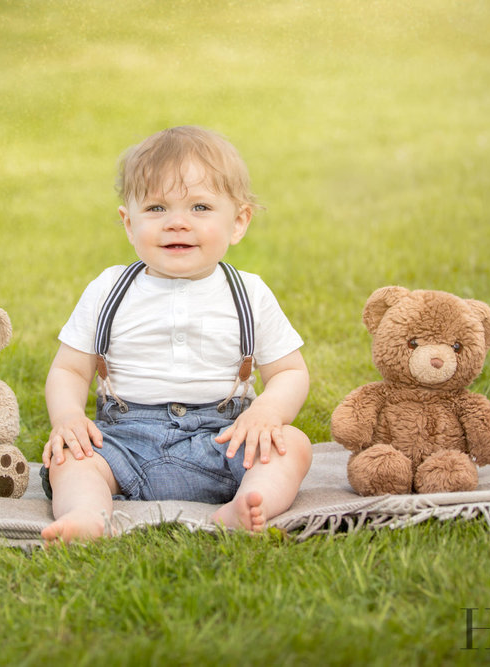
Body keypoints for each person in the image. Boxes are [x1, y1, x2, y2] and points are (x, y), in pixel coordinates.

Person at [40, 126, 312, 544]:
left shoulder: (250, 293)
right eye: (156, 208)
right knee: (70, 460)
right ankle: (87, 514)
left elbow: (291, 372)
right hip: (124, 441)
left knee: (291, 445)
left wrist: (267, 413)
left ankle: (248, 502)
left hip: (223, 437)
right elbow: (70, 371)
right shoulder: (109, 288)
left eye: (200, 207)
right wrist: (68, 418)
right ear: (128, 224)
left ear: (238, 222)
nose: (177, 223)